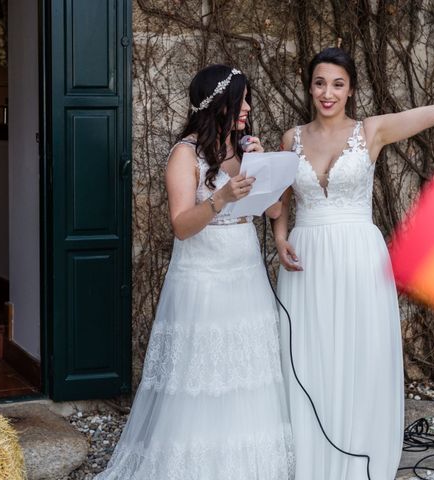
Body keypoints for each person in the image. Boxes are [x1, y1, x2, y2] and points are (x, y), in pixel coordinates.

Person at [272, 47, 434, 480]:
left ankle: (358, 446)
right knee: (309, 351)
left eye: (337, 84)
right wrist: (281, 238)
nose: (327, 92)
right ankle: (311, 453)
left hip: (358, 255)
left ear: (351, 89)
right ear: (309, 86)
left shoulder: (371, 131)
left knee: (359, 352)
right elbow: (280, 200)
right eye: (320, 82)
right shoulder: (291, 139)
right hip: (307, 261)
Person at [95, 64, 294, 480]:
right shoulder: (184, 154)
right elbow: (182, 225)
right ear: (218, 103)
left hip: (245, 271)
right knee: (202, 373)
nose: (248, 108)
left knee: (246, 368)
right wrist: (220, 197)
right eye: (241, 101)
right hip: (203, 277)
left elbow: (273, 210)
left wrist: (260, 165)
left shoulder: (242, 147)